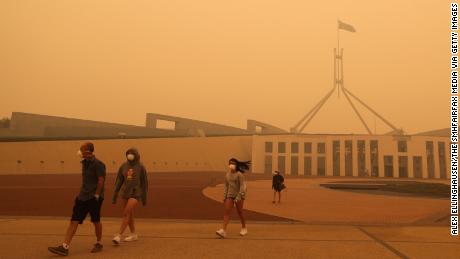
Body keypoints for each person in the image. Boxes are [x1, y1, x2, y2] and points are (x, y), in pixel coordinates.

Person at [48, 142, 106, 256]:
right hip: (82, 197)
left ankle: (99, 243)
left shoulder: (98, 164)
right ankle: (65, 247)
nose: (79, 151)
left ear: (88, 150)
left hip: (94, 197)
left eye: (81, 149)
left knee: (96, 221)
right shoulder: (84, 162)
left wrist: (97, 195)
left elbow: (101, 180)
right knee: (74, 220)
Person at [112, 148, 148, 244]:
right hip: (125, 193)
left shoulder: (141, 167)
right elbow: (119, 181)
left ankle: (119, 235)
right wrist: (114, 195)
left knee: (126, 212)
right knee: (130, 214)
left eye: (132, 154)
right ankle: (133, 234)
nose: (130, 155)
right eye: (128, 153)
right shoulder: (123, 166)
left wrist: (144, 198)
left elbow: (144, 183)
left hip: (136, 194)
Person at [216, 158, 251, 238]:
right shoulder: (227, 175)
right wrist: (225, 196)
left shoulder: (239, 174)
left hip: (239, 195)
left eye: (233, 163)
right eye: (230, 163)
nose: (232, 165)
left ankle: (244, 228)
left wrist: (239, 196)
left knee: (240, 212)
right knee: (226, 212)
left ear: (236, 165)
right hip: (230, 195)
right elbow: (226, 186)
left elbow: (242, 186)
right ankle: (223, 230)